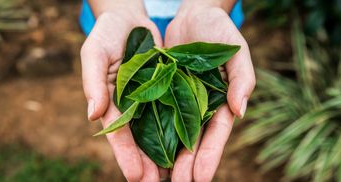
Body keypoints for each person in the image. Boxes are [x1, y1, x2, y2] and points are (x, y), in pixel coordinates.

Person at [80, 0, 255, 181]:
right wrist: (113, 8)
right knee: (136, 155)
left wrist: (210, 5)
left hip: (200, 21)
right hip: (117, 14)